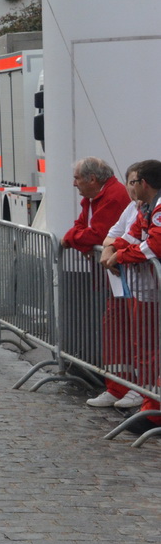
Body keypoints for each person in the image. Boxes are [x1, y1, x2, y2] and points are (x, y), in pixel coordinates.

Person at [64, 158, 137, 409]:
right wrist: (78, 238)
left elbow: (99, 234)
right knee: (115, 330)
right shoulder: (98, 197)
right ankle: (118, 386)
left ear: (92, 179)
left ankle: (134, 388)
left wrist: (74, 239)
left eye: (77, 178)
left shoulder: (114, 197)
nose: (74, 184)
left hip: (127, 280)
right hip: (115, 279)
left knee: (131, 333)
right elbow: (85, 227)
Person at [97, 160, 161, 418]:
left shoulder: (156, 208)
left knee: (151, 348)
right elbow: (132, 235)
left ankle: (152, 407)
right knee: (146, 346)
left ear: (143, 183)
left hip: (152, 291)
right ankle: (149, 404)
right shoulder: (145, 207)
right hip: (147, 290)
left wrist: (120, 256)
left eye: (132, 182)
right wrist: (112, 248)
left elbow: (154, 245)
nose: (129, 188)